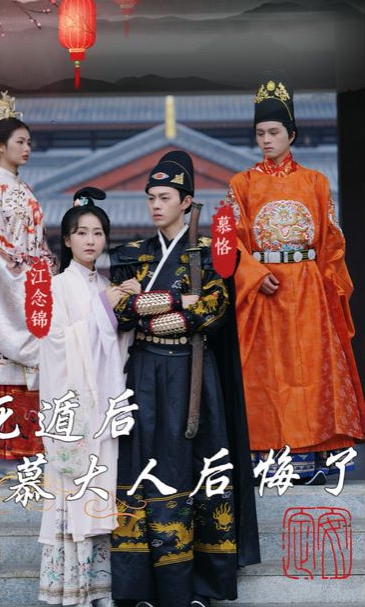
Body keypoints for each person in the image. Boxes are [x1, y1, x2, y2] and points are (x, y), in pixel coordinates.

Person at [109, 150, 260, 607]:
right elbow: (120, 310)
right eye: (151, 197)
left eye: (165, 197)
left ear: (187, 201)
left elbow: (212, 311)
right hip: (144, 373)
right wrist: (176, 302)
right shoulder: (134, 255)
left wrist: (148, 304)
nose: (156, 205)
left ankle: (198, 588)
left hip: (193, 373)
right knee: (143, 469)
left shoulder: (211, 254)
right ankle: (142, 589)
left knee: (195, 467)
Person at [227, 77, 365, 481]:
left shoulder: (315, 182)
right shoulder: (242, 184)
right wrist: (254, 274)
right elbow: (230, 243)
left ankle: (313, 452)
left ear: (291, 135)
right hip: (264, 289)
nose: (266, 140)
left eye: (273, 132)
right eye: (260, 133)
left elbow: (331, 242)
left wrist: (328, 289)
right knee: (267, 374)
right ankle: (269, 454)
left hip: (307, 289)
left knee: (311, 372)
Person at [38, 187, 127, 607]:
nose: (91, 240)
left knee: (100, 492)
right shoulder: (56, 287)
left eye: (98, 233)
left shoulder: (107, 285)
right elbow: (55, 345)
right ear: (67, 239)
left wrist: (121, 307)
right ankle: (71, 590)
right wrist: (103, 310)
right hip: (73, 407)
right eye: (82, 232)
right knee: (74, 490)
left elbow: (119, 348)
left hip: (103, 407)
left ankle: (100, 590)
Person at [0, 92, 56, 466]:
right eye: (20, 141)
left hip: (28, 284)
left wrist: (45, 271)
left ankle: (26, 446)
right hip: (2, 286)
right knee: (1, 360)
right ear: (0, 146)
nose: (27, 148)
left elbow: (38, 243)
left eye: (29, 142)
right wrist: (24, 270)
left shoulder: (27, 192)